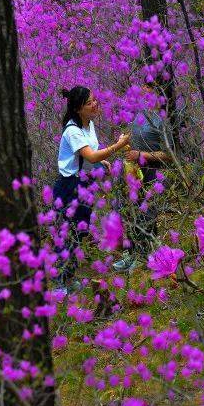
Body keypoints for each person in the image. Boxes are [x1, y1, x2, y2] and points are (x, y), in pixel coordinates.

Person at [55, 86, 130, 287]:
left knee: (80, 231)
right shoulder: (73, 131)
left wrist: (99, 164)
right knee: (67, 232)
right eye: (89, 103)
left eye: (95, 100)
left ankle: (68, 277)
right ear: (78, 108)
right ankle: (61, 284)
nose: (95, 104)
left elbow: (89, 156)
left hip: (84, 182)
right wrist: (118, 145)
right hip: (69, 186)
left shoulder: (88, 124)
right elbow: (91, 155)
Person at [113, 98, 172, 272]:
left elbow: (170, 154)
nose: (145, 91)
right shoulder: (140, 113)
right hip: (134, 173)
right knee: (129, 213)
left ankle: (143, 256)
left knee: (146, 215)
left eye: (150, 86)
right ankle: (130, 254)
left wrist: (141, 154)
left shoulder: (163, 118)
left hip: (154, 174)